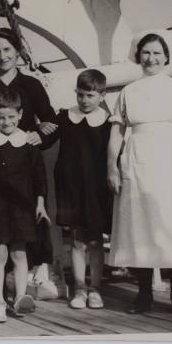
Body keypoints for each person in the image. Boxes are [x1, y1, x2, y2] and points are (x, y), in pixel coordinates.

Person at [107, 33, 172, 315]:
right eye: (146, 53)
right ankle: (144, 294)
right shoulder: (128, 91)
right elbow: (117, 131)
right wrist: (112, 166)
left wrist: (168, 140)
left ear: (166, 57)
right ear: (139, 56)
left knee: (171, 222)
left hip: (170, 161)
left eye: (157, 53)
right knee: (139, 224)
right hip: (136, 159)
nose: (151, 58)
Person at [0, 87, 50, 323]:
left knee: (18, 253)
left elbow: (40, 178)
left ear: (20, 114)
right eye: (1, 117)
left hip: (22, 207)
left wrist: (40, 203)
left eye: (11, 117)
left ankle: (20, 298)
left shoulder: (28, 142)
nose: (6, 122)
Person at [45, 69, 112, 309]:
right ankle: (79, 290)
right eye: (80, 95)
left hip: (95, 188)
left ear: (102, 96)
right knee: (76, 241)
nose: (84, 100)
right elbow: (44, 140)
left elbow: (115, 153)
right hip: (70, 187)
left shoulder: (107, 120)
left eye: (90, 96)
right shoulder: (65, 117)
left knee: (94, 241)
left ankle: (95, 289)